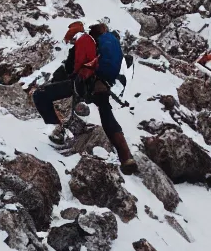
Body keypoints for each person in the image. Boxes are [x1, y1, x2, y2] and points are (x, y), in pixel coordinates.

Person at [32, 21, 137, 175]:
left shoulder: (85, 41)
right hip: (104, 85)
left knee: (40, 95)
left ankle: (59, 131)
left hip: (86, 83)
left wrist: (58, 79)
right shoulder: (113, 44)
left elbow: (71, 67)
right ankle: (126, 157)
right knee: (107, 116)